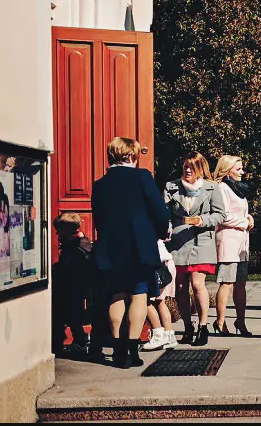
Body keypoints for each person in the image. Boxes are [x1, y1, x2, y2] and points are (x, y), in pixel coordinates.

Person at [91, 137, 170, 368]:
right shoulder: (142, 177)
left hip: (110, 247)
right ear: (132, 155)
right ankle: (130, 351)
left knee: (116, 295)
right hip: (139, 247)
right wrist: (159, 232)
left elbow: (99, 218)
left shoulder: (100, 184)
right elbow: (159, 211)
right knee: (138, 295)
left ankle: (117, 349)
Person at [163, 152, 226, 347]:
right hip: (178, 243)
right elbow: (164, 214)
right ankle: (188, 326)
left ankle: (203, 326)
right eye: (185, 166)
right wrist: (167, 228)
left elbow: (220, 215)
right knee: (180, 286)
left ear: (200, 169)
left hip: (201, 241)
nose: (188, 170)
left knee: (198, 285)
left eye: (192, 167)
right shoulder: (171, 187)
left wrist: (203, 220)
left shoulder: (211, 188)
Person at [211, 155, 255, 336]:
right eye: (238, 169)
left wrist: (249, 218)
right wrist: (244, 222)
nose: (242, 172)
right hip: (228, 242)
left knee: (240, 284)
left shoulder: (239, 190)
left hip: (241, 244)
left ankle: (241, 322)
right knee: (227, 282)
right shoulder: (221, 188)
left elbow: (241, 211)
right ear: (227, 170)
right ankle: (220, 322)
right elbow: (223, 215)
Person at [51, 212, 94, 358]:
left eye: (59, 229)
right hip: (72, 283)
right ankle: (80, 339)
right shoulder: (75, 242)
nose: (56, 233)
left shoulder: (79, 245)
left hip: (75, 284)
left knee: (73, 313)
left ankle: (81, 341)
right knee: (71, 313)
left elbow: (80, 264)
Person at [142, 238, 178, 351]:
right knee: (160, 302)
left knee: (144, 300)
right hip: (166, 263)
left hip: (157, 266)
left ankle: (158, 334)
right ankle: (169, 336)